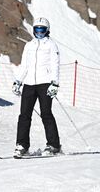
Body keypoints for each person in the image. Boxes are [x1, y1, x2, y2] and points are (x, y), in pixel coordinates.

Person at [12, 17, 61, 157]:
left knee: (46, 113)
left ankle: (53, 145)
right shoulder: (29, 45)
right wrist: (18, 81)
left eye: (42, 30)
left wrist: (55, 83)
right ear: (33, 30)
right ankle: (22, 145)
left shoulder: (51, 45)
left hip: (45, 83)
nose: (39, 33)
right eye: (37, 30)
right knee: (24, 115)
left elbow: (55, 64)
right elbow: (24, 65)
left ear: (47, 31)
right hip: (29, 84)